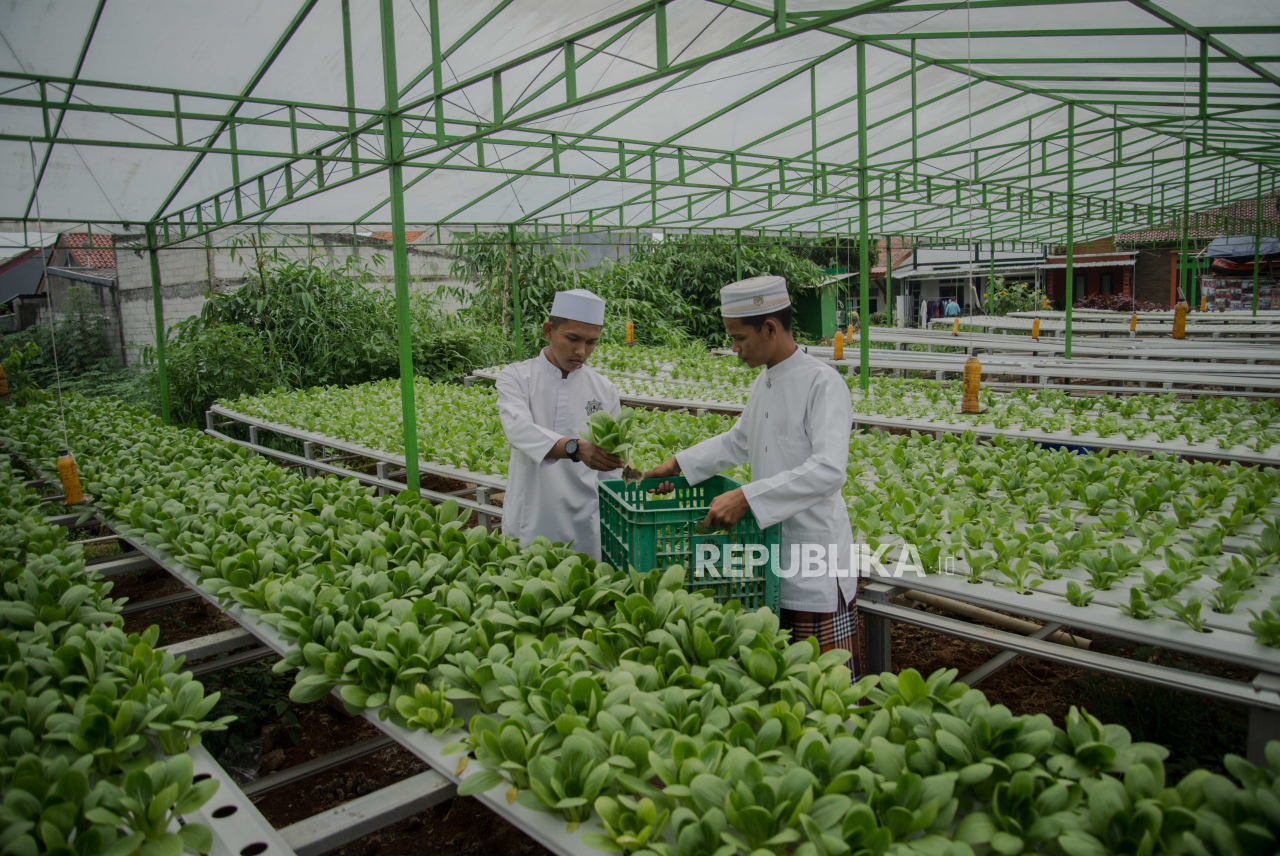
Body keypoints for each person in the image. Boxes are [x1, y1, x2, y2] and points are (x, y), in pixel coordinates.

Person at [643, 276, 859, 670]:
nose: (734, 348)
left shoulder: (822, 383)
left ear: (771, 328)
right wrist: (678, 464)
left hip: (815, 562)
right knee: (783, 681)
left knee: (828, 694)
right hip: (774, 557)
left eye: (739, 337)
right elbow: (739, 440)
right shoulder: (766, 380)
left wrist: (746, 497)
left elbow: (828, 471)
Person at [495, 288, 623, 560]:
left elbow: (611, 470)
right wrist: (575, 448)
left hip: (585, 525)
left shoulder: (604, 390)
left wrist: (633, 481)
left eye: (592, 342)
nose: (581, 351)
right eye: (573, 339)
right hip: (531, 518)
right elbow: (519, 429)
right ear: (548, 330)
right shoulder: (517, 377)